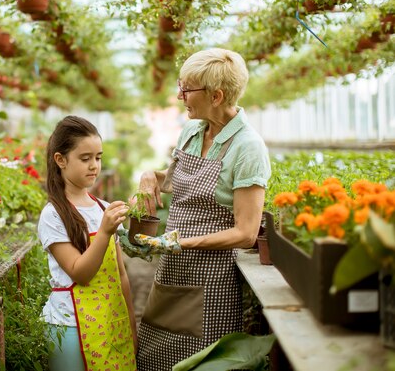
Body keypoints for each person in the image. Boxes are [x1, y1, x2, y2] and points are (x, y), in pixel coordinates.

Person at [134, 48, 272, 371]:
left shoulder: (248, 148)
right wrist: (146, 177)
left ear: (216, 96)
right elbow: (171, 182)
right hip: (172, 271)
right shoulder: (192, 131)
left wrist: (183, 243)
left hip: (212, 283)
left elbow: (246, 232)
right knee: (155, 357)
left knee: (202, 363)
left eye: (186, 88)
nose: (180, 95)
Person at [37, 115, 137, 371]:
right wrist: (103, 232)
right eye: (85, 158)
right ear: (60, 160)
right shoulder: (53, 214)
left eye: (98, 157)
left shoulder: (102, 207)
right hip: (69, 326)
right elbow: (81, 273)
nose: (94, 165)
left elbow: (120, 274)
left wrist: (130, 323)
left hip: (110, 322)